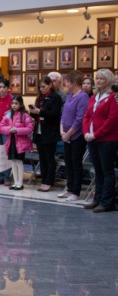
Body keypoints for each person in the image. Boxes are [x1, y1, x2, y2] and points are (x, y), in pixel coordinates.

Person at [82, 69, 118, 212]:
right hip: (92, 138)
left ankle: (106, 202)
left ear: (108, 80)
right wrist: (85, 132)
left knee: (107, 170)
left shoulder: (112, 98)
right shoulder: (94, 97)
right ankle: (97, 199)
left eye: (101, 78)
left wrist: (96, 134)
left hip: (107, 139)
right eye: (97, 78)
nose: (98, 81)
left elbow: (112, 120)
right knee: (97, 171)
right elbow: (87, 116)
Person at [59, 70, 90, 202]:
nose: (66, 84)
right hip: (65, 135)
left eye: (68, 82)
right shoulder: (69, 95)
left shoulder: (83, 97)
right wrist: (62, 131)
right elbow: (63, 115)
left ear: (75, 83)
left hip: (76, 136)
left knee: (76, 164)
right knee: (68, 163)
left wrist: (69, 134)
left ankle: (75, 191)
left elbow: (79, 119)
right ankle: (69, 187)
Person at [28, 76, 63, 192]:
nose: (41, 89)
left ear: (50, 85)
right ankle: (43, 180)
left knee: (49, 158)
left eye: (43, 87)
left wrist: (40, 111)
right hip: (39, 130)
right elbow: (39, 115)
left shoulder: (55, 98)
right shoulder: (40, 98)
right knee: (42, 158)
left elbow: (54, 114)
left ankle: (49, 182)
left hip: (50, 132)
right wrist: (33, 112)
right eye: (40, 87)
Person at [0, 96, 33, 190]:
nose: (14, 105)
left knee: (19, 161)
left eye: (16, 103)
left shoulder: (24, 115)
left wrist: (17, 130)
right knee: (13, 161)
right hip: (11, 140)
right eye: (12, 103)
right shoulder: (8, 114)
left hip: (21, 142)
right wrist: (9, 129)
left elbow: (29, 129)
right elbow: (1, 127)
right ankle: (15, 181)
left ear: (21, 104)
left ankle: (20, 183)